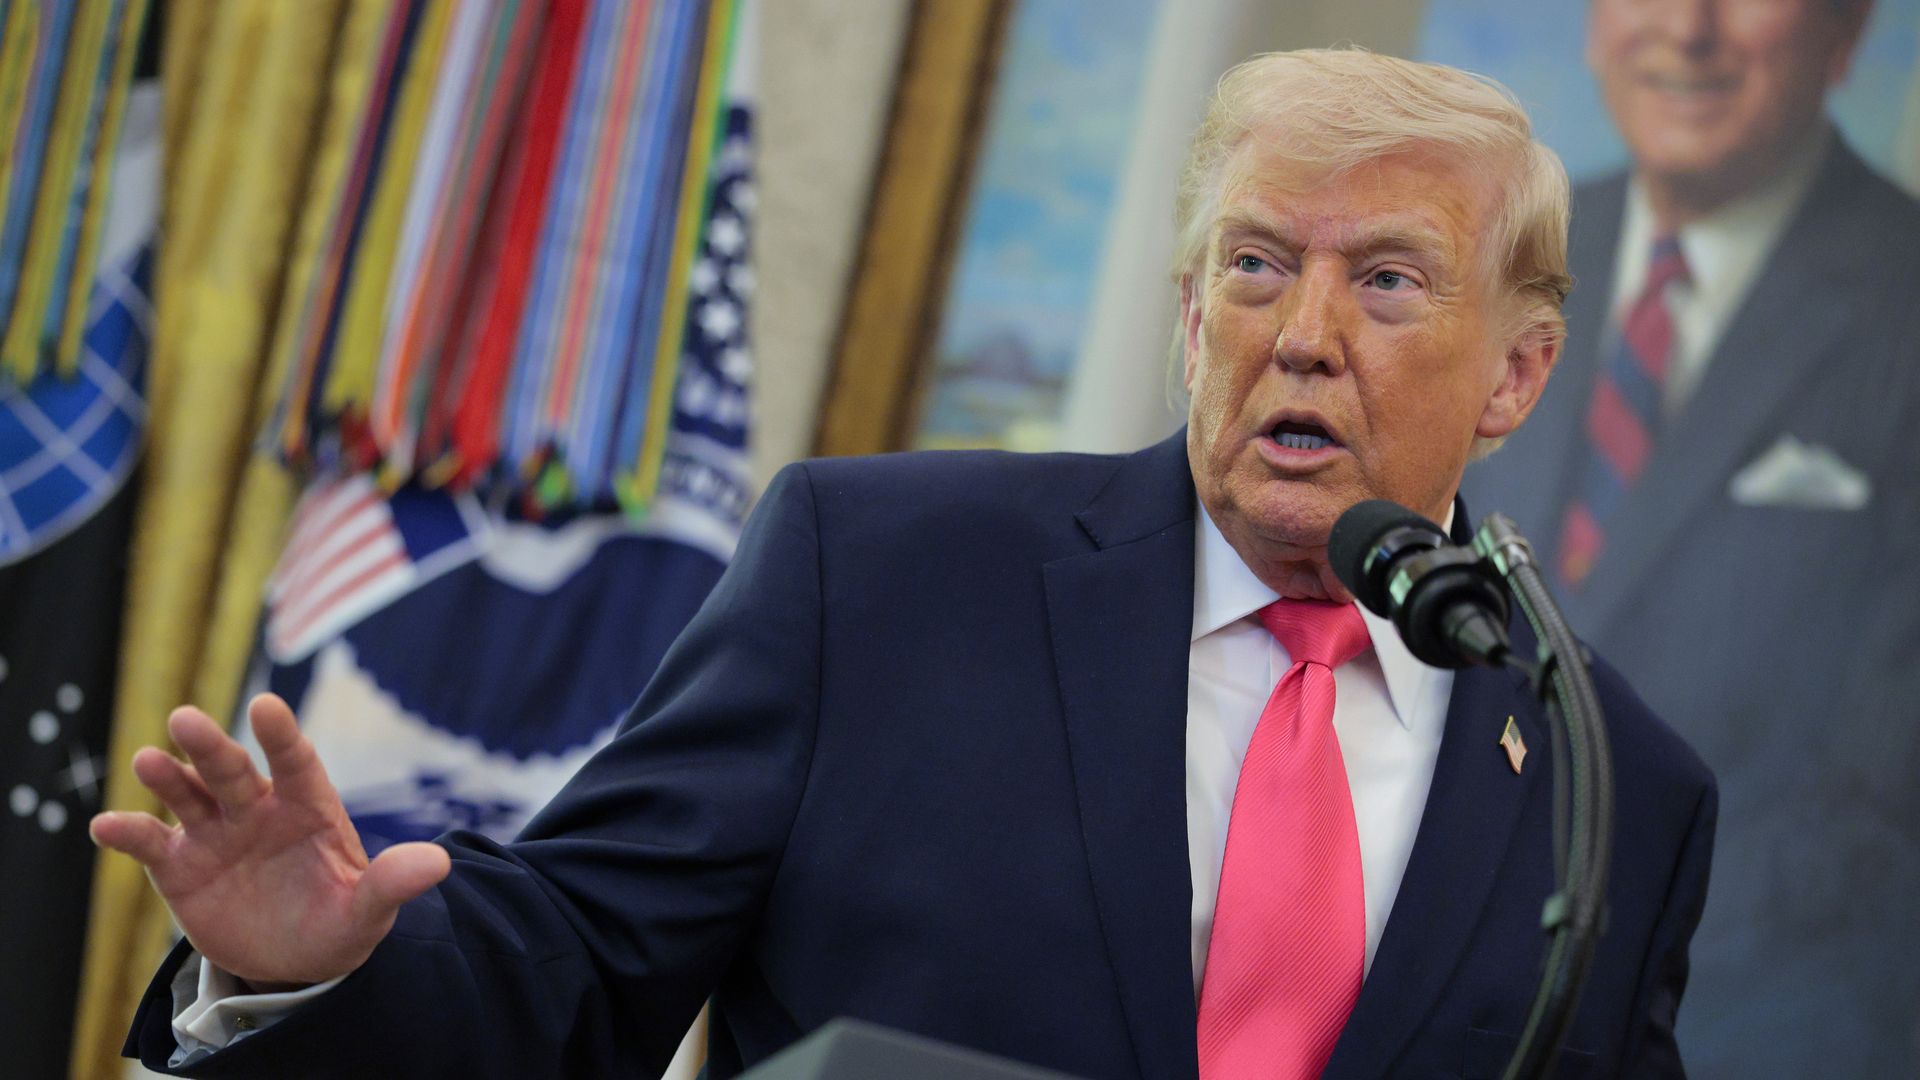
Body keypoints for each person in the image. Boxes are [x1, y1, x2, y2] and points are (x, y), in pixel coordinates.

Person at [94, 50, 1716, 1079]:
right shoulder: (880, 578)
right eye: (1255, 265)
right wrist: (307, 971)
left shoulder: (1611, 779)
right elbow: (577, 965)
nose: (1300, 333)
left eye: (1385, 283)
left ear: (1516, 375)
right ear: (1186, 313)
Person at [1461, 2, 1920, 1073]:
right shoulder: (1492, 260)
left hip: (1763, 1029)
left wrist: (1563, 927)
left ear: (1845, 31)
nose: (1687, 26)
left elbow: (1886, 800)